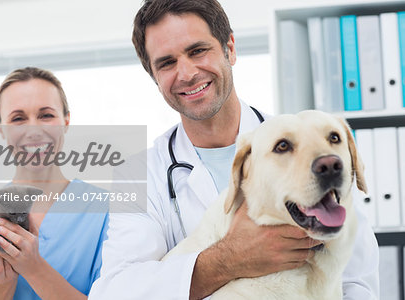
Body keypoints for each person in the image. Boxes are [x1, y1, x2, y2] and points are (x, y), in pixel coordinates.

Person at [88, 0, 379, 299]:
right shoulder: (138, 173)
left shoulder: (313, 149)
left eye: (197, 51)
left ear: (230, 48)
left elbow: (357, 281)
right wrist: (229, 260)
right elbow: (114, 291)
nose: (186, 73)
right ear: (154, 77)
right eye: (167, 63)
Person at [0, 67, 109, 299]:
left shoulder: (108, 213)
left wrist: (34, 268)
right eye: (18, 119)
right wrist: (0, 284)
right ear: (1, 129)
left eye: (46, 115)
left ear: (66, 121)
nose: (34, 130)